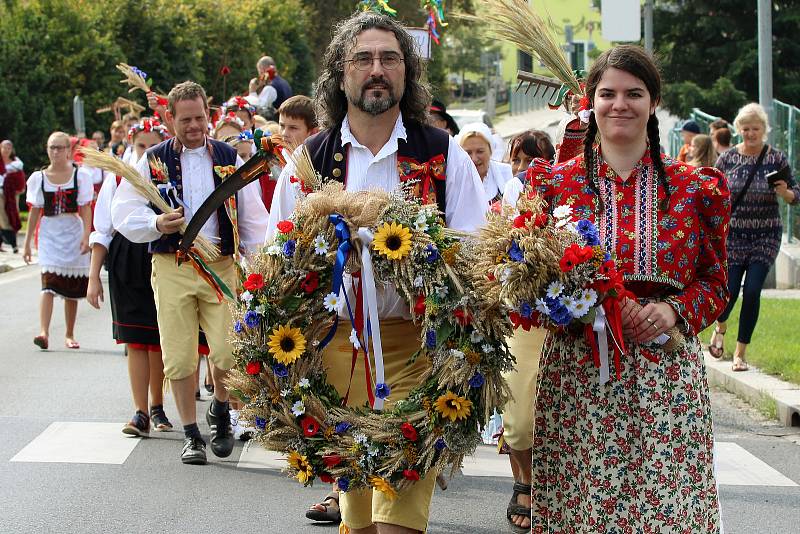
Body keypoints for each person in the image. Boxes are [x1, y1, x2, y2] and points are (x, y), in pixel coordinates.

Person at [268, 11, 486, 534]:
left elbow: (475, 247)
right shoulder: (313, 158)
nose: (377, 69)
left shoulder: (440, 154)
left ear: (406, 72)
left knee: (399, 519)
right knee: (359, 519)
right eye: (362, 58)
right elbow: (277, 255)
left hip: (420, 345)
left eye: (390, 58)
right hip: (335, 346)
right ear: (341, 74)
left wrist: (422, 254)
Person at [526, 45, 729, 531]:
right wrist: (575, 306)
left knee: (666, 507)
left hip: (664, 375)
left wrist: (675, 312)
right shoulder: (555, 186)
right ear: (590, 101)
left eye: (634, 93)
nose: (620, 104)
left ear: (653, 102)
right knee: (584, 505)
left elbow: (716, 280)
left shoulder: (696, 187)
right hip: (579, 375)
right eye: (608, 93)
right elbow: (527, 284)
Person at [112, 81, 268, 465]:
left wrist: (260, 260)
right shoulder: (150, 160)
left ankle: (219, 407)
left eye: (201, 117)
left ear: (208, 115)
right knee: (179, 358)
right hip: (172, 266)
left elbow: (251, 215)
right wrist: (155, 223)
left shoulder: (230, 156)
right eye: (186, 119)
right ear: (170, 119)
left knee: (229, 351)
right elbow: (121, 213)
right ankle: (190, 433)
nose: (196, 125)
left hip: (221, 266)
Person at [87, 118, 175, 436]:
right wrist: (93, 276)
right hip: (128, 259)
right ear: (131, 144)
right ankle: (140, 412)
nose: (145, 153)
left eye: (151, 147)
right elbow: (103, 229)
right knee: (137, 339)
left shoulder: (168, 175)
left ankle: (158, 404)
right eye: (140, 146)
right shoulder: (118, 176)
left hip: (162, 254)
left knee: (161, 339)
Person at [708, 103, 799, 371]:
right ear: (738, 130)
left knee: (753, 291)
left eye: (755, 129)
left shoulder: (776, 159)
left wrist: (786, 193)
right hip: (734, 234)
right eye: (745, 129)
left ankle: (740, 353)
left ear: (764, 130)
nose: (750, 134)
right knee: (730, 290)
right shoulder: (727, 160)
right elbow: (713, 193)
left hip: (766, 234)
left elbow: (796, 193)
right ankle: (720, 326)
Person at [23, 131, 93, 350]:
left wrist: (86, 236)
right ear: (47, 149)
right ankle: (43, 332)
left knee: (71, 288)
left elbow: (85, 208)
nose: (55, 152)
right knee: (48, 284)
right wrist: (26, 243)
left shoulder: (80, 176)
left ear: (68, 151)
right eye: (52, 147)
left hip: (72, 230)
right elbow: (35, 211)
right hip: (50, 233)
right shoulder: (39, 178)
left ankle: (69, 334)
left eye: (60, 148)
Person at [457, 122, 513, 206]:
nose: (474, 159)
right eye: (468, 153)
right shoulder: (454, 181)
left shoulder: (507, 173)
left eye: (480, 151)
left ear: (490, 151)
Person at [1, 140, 25, 252]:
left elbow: (20, 178)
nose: (6, 150)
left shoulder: (16, 163)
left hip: (12, 195)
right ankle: (13, 244)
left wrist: (19, 188)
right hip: (0, 193)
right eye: (4, 148)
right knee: (3, 218)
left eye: (8, 148)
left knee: (12, 216)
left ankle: (12, 242)